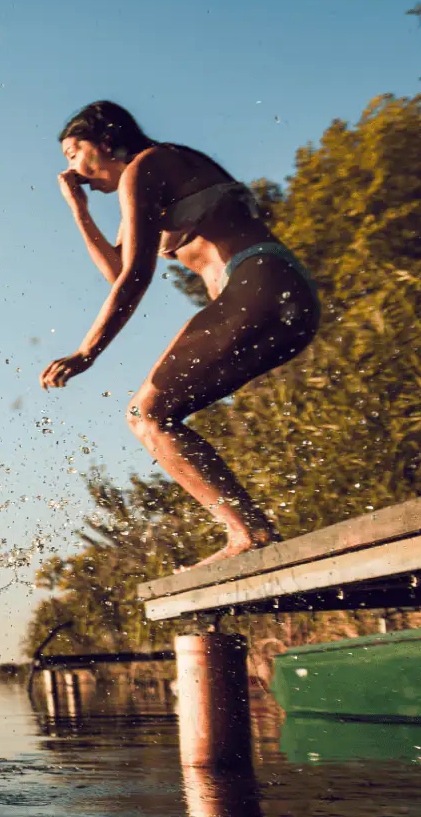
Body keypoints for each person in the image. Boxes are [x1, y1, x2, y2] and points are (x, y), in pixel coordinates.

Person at [42, 101, 322, 567]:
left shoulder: (147, 166)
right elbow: (116, 271)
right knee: (157, 414)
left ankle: (249, 532)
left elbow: (135, 277)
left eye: (74, 153)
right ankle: (251, 532)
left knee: (146, 415)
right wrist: (80, 213)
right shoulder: (151, 178)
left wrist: (87, 351)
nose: (72, 169)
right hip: (284, 296)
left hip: (256, 281)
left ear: (106, 142)